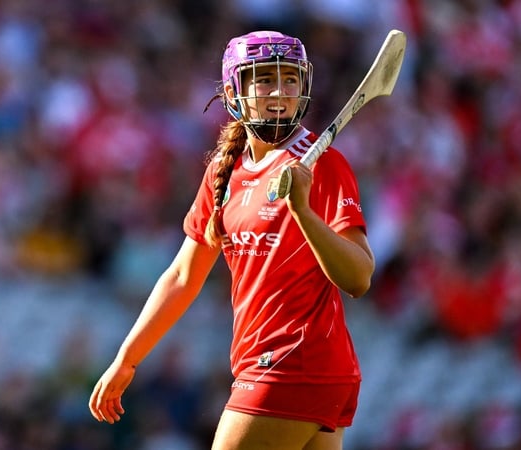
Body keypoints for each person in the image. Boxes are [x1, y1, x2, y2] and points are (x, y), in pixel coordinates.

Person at [88, 30, 375, 450]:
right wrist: (127, 359)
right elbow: (184, 277)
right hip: (284, 369)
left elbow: (359, 277)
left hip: (291, 365)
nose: (280, 92)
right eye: (264, 79)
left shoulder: (322, 164)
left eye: (291, 80)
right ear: (233, 91)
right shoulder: (224, 173)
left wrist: (302, 212)